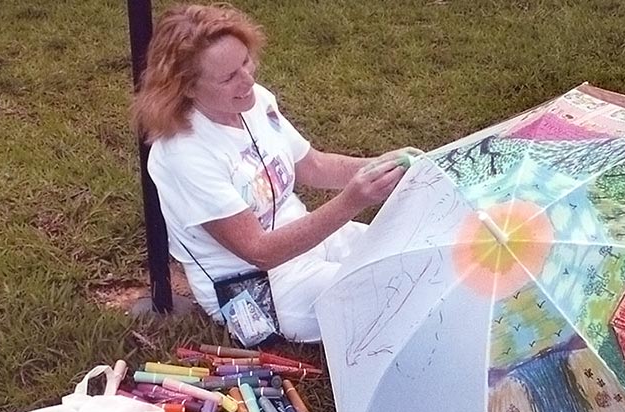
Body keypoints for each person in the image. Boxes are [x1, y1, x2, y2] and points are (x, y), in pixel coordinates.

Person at [131, 4, 418, 342]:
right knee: (397, 292)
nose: (248, 80)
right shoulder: (184, 155)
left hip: (308, 241)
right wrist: (351, 201)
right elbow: (260, 251)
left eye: (246, 62)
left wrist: (383, 164)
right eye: (228, 77)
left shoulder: (254, 101)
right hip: (258, 288)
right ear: (188, 88)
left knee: (411, 252)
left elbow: (313, 165)